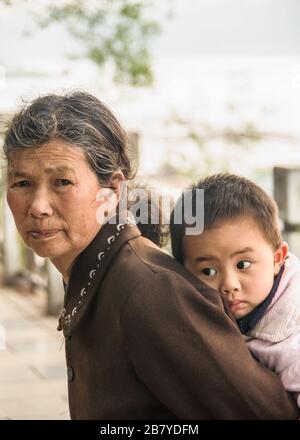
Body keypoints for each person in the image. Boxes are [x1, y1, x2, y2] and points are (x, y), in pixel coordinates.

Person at [3, 91, 298, 420]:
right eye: (22, 183)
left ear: (112, 191)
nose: (38, 207)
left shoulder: (150, 291)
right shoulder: (98, 274)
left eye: (62, 182)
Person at [170, 173, 300, 409]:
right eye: (208, 271)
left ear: (277, 259)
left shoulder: (292, 341)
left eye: (243, 265)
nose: (230, 284)